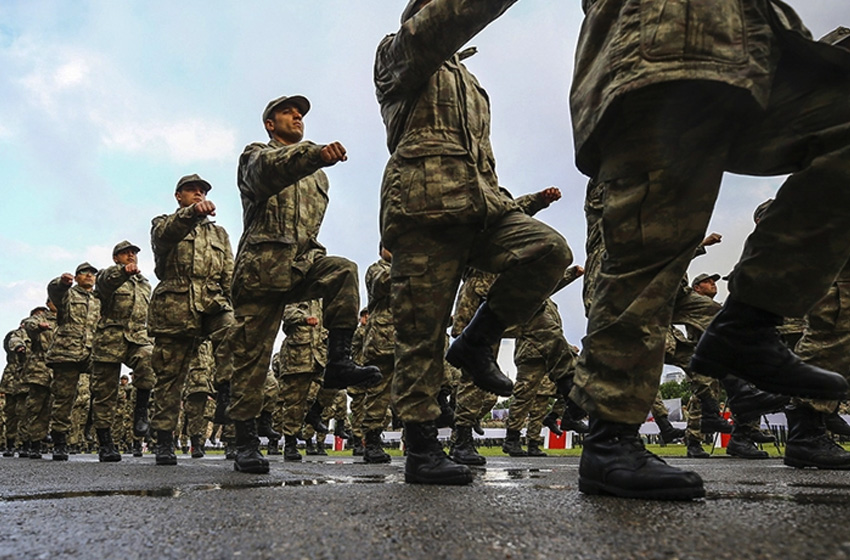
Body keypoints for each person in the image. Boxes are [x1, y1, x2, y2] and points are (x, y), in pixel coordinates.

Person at [569, 1, 850, 499]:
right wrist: (411, 51)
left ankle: (747, 325)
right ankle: (610, 440)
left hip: (755, 55)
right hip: (656, 51)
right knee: (650, 255)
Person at [376, 1, 572, 484]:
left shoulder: (468, 80)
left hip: (484, 203)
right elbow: (444, 22)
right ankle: (421, 446)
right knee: (421, 331)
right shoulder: (397, 53)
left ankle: (476, 341)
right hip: (424, 204)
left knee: (549, 251)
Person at [224, 93, 382, 474]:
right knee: (252, 358)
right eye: (287, 112)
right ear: (269, 124)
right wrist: (313, 154)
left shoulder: (318, 178)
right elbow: (268, 172)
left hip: (301, 262)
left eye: (300, 114)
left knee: (343, 270)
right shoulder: (255, 155)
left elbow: (307, 229)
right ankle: (245, 440)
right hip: (262, 269)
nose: (297, 116)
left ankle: (339, 361)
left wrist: (316, 162)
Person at [148, 174, 235, 466]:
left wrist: (234, 300)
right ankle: (163, 440)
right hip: (176, 304)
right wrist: (191, 214)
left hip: (212, 301)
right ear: (178, 196)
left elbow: (229, 274)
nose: (198, 194)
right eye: (191, 190)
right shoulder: (162, 223)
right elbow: (166, 236)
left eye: (202, 191)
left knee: (233, 331)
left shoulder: (219, 234)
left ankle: (226, 395)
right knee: (170, 378)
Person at [90, 240, 156, 463]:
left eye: (134, 253)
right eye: (125, 253)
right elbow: (106, 282)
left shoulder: (144, 283)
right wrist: (123, 272)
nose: (131, 256)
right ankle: (106, 443)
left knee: (149, 360)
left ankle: (141, 411)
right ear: (115, 258)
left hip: (137, 337)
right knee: (105, 393)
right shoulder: (108, 276)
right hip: (110, 339)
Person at [46, 263, 101, 460]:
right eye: (84, 273)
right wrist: (61, 283)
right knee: (64, 397)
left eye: (93, 273)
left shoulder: (100, 298)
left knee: (103, 395)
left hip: (93, 351)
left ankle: (103, 439)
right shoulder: (67, 295)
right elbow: (54, 291)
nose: (89, 275)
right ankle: (60, 440)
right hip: (67, 351)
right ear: (77, 278)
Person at [19, 304, 56, 458]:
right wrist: (39, 326)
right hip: (39, 369)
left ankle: (41, 440)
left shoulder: (66, 317)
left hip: (57, 369)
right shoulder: (39, 319)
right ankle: (30, 442)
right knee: (35, 407)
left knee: (50, 408)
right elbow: (28, 324)